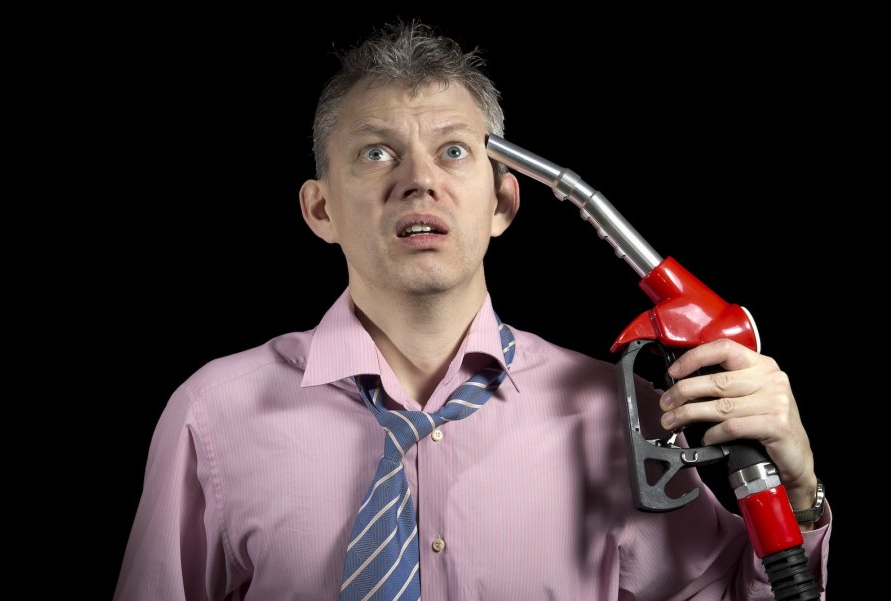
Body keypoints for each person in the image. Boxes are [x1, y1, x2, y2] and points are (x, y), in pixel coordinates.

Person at [114, 19, 831, 600]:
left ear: (504, 200)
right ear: (320, 207)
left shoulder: (617, 416)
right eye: (375, 154)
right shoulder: (211, 416)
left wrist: (799, 495)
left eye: (454, 150)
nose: (418, 180)